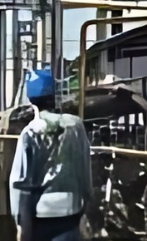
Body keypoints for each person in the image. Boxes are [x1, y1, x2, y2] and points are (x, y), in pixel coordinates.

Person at [9, 69, 93, 241]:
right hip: (71, 214)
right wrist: (87, 205)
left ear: (30, 99)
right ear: (54, 95)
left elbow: (20, 184)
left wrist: (22, 225)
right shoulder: (76, 126)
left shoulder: (29, 133)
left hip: (41, 218)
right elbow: (85, 170)